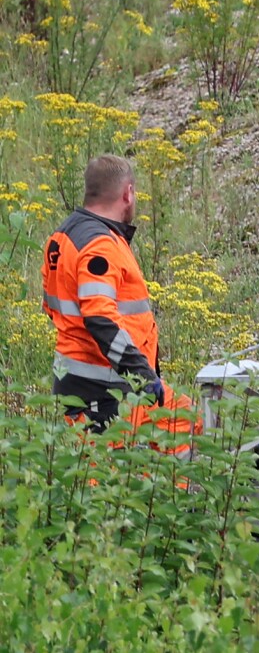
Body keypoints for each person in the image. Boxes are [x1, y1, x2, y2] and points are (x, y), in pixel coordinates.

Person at [41, 154, 196, 449]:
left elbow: (53, 308)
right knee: (98, 482)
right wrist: (140, 374)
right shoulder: (100, 244)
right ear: (128, 193)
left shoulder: (61, 238)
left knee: (180, 418)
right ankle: (157, 492)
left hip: (93, 381)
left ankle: (162, 494)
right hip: (103, 391)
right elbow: (100, 319)